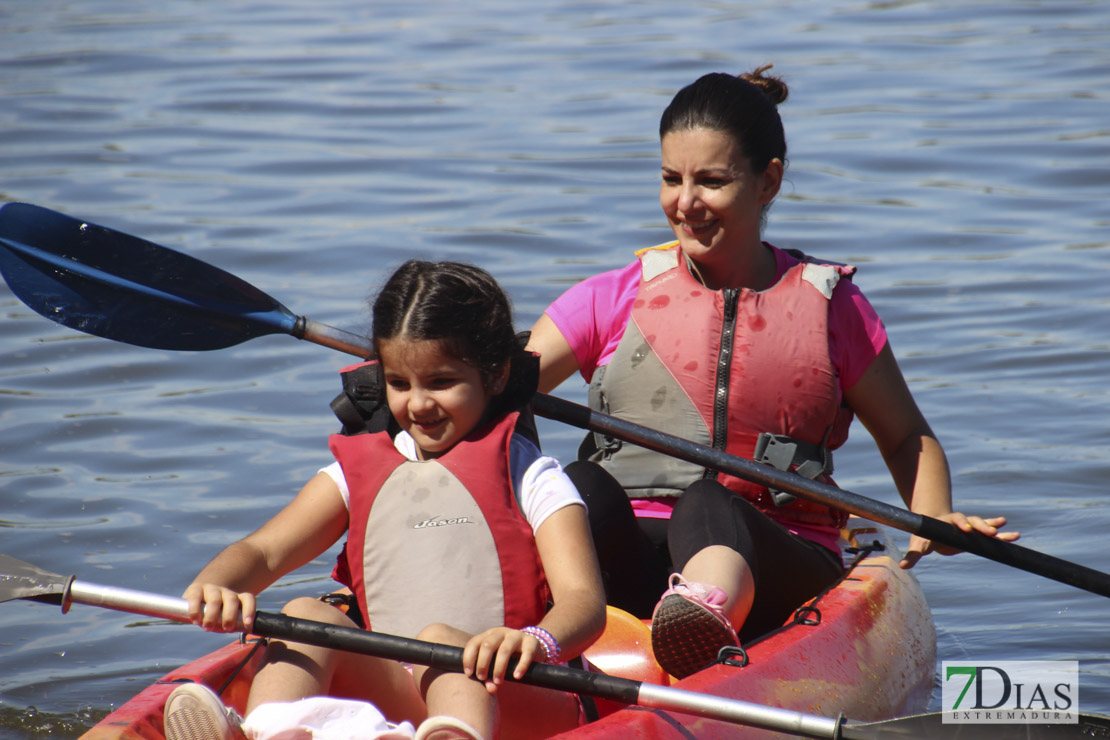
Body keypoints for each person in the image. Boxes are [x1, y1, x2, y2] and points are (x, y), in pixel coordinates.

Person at [527, 66, 1020, 680]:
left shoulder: (831, 306)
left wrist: (935, 515)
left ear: (768, 182)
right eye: (670, 178)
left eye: (711, 181)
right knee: (580, 485)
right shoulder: (611, 296)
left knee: (709, 501)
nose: (685, 203)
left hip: (775, 559)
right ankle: (610, 634)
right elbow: (503, 382)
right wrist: (414, 382)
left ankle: (703, 623)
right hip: (625, 570)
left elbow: (904, 437)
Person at [162, 260, 606, 740]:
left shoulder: (534, 476)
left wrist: (535, 642)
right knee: (305, 617)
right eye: (399, 383)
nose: (417, 404)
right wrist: (217, 586)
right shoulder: (353, 476)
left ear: (496, 375)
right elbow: (262, 552)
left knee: (442, 644)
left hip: (520, 694)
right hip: (404, 694)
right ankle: (269, 730)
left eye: (441, 382)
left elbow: (584, 603)